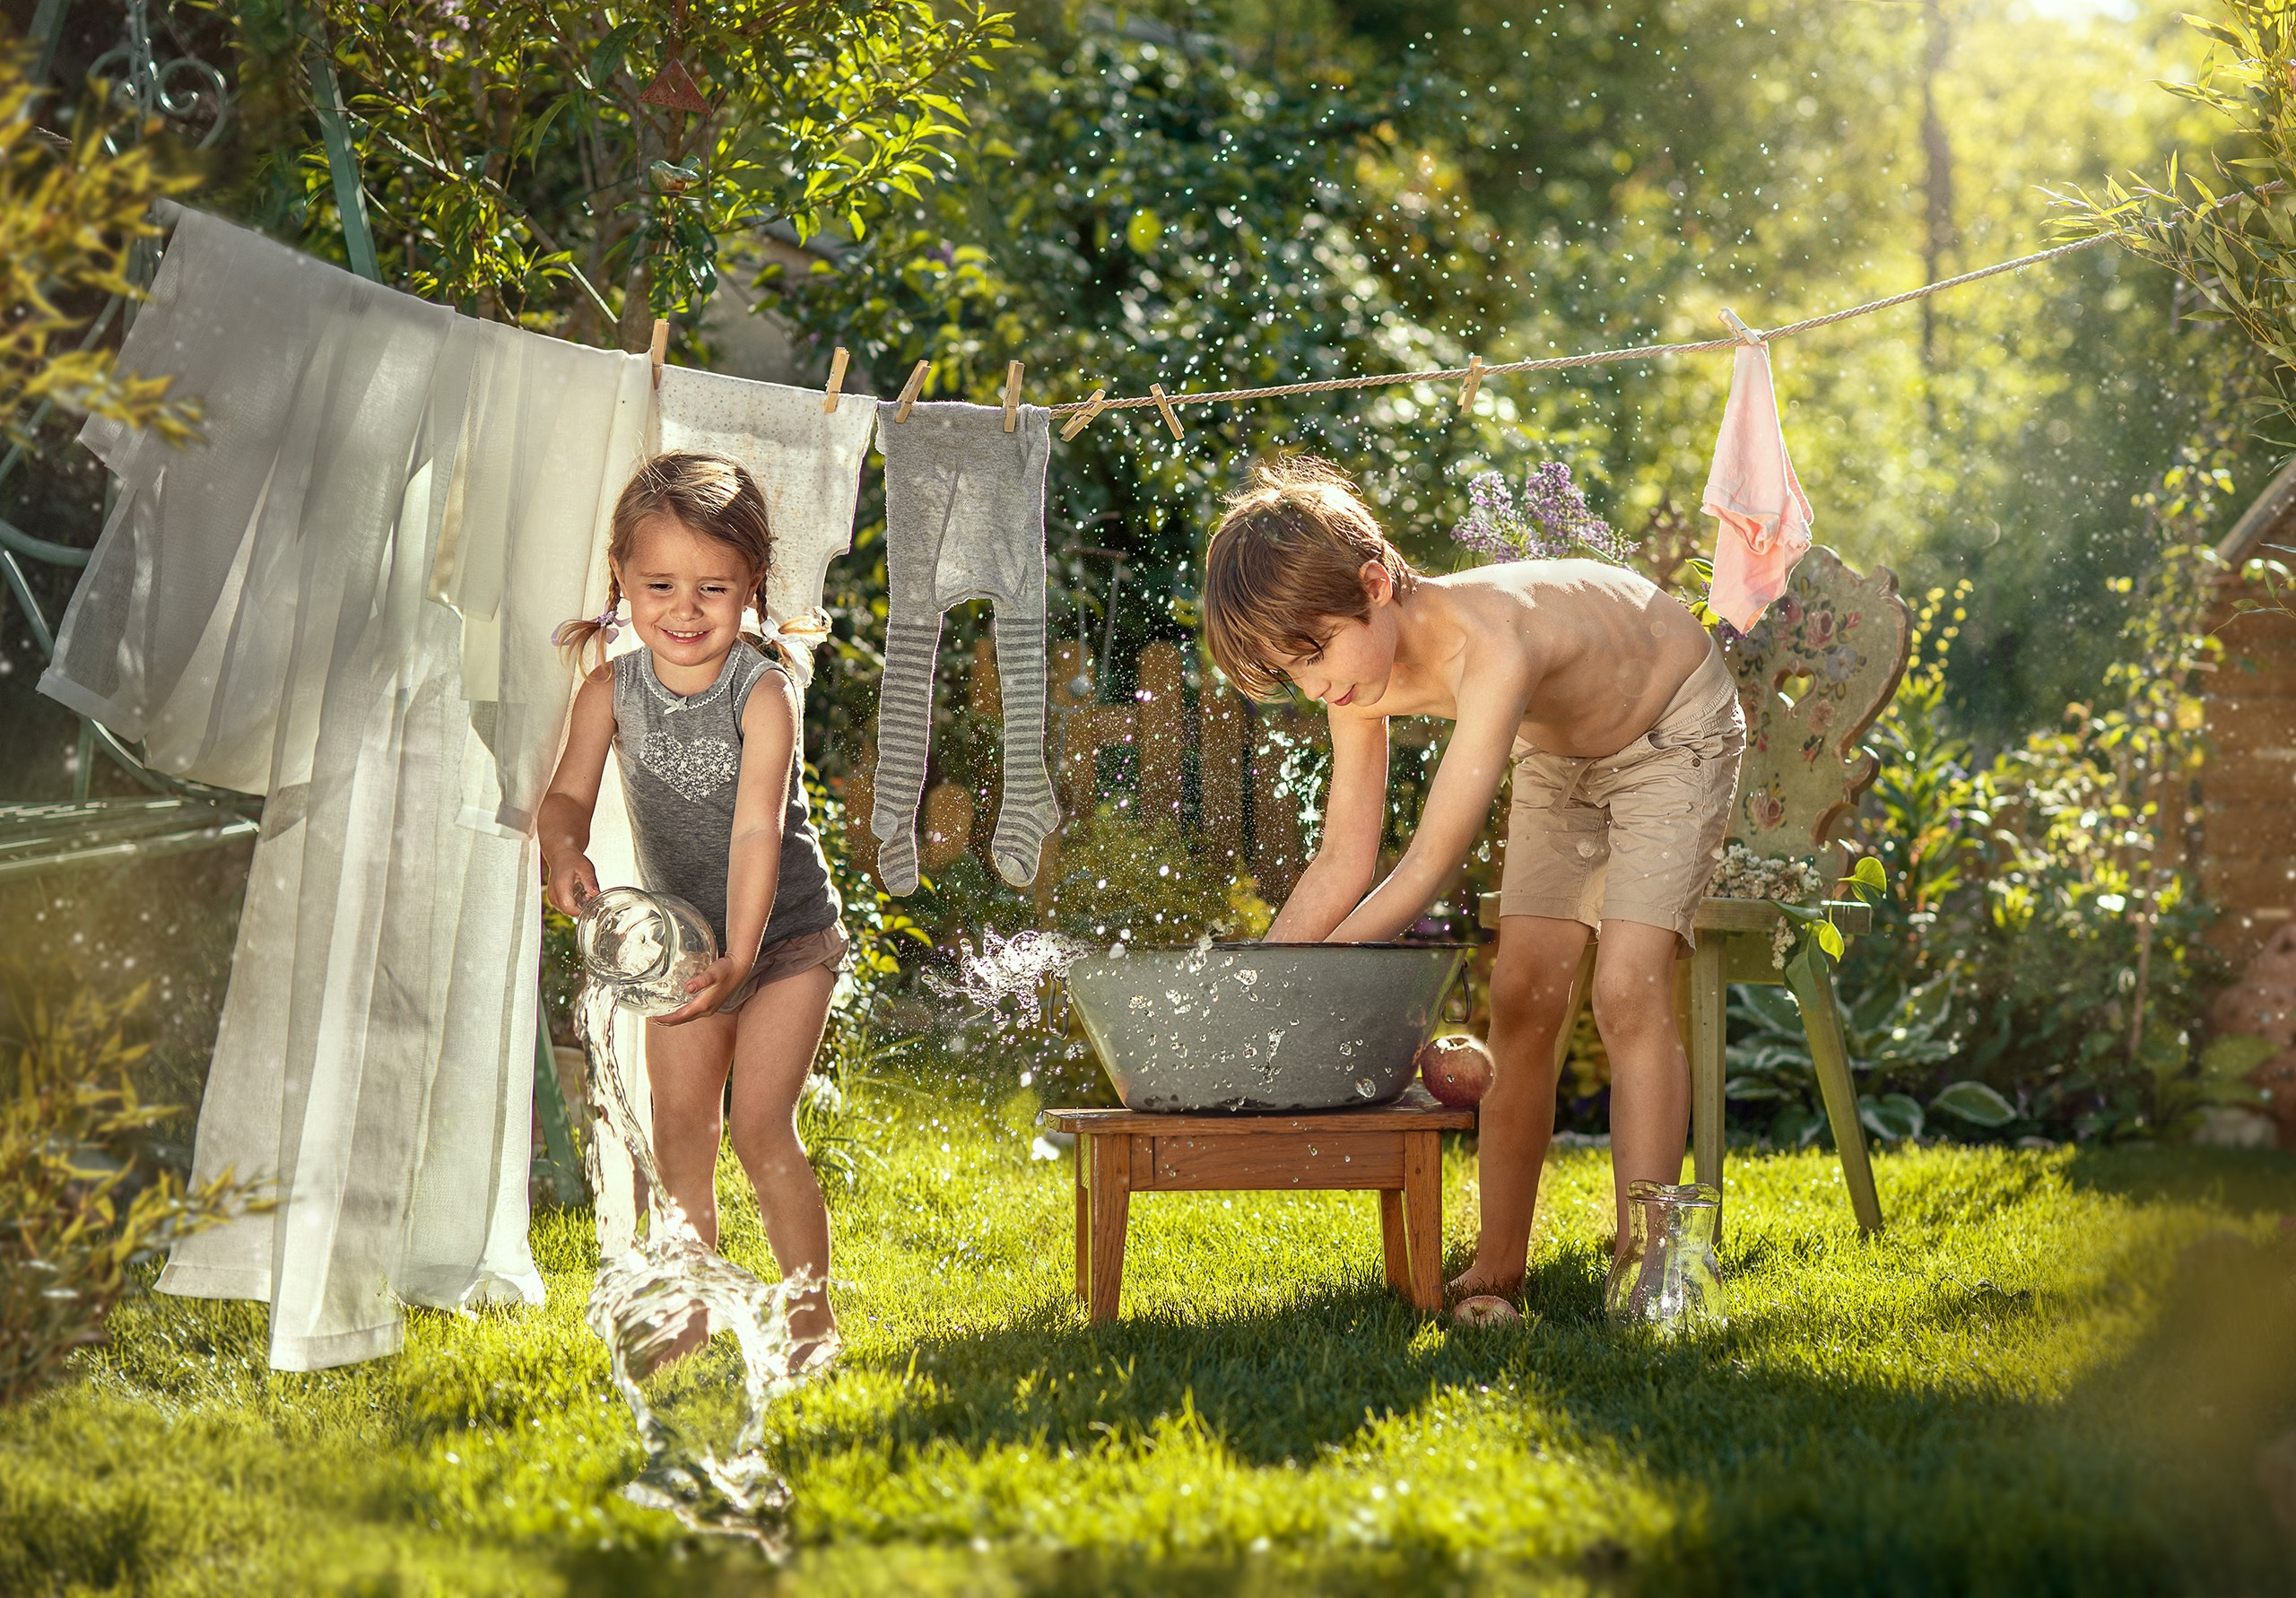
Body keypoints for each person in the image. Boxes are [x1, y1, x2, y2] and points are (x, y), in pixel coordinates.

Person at [1201, 456, 1744, 1298]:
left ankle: (1651, 1261)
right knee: (1522, 997)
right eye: (1292, 675)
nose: (1318, 690)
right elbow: (1346, 855)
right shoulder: (1356, 685)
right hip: (1563, 757)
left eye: (1316, 656)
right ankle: (1500, 1260)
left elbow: (1430, 858)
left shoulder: (1493, 642)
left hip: (1674, 730)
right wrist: (1272, 981)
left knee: (1629, 990)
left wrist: (1322, 979)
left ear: (1375, 585)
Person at [540, 452, 847, 1361]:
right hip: (680, 948)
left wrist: (745, 958)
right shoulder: (611, 691)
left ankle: (808, 1325)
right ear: (621, 582)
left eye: (712, 587)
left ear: (752, 587)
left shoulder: (762, 693)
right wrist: (564, 847)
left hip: (784, 945)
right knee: (680, 1135)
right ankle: (688, 1319)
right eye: (660, 584)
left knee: (758, 1126)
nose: (684, 609)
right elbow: (565, 797)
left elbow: (757, 833)